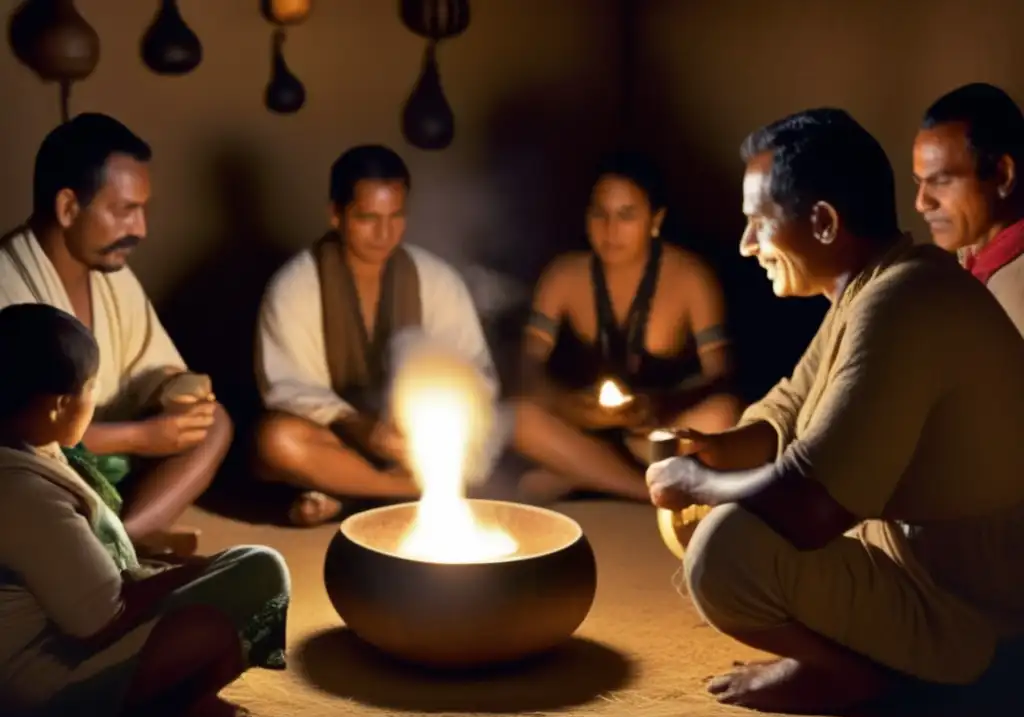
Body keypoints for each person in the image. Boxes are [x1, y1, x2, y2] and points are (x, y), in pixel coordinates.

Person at [646, 108, 1024, 715]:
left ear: (822, 222)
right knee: (700, 517)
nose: (746, 246)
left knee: (723, 550)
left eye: (757, 225)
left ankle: (851, 676)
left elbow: (813, 507)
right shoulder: (878, 287)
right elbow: (789, 407)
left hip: (979, 613)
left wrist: (700, 480)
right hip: (911, 562)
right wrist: (708, 450)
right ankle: (857, 660)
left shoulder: (899, 302)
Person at [0, 303, 289, 717]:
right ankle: (145, 713)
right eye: (91, 388)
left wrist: (175, 575)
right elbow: (98, 618)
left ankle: (172, 699)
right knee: (258, 574)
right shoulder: (22, 493)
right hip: (46, 690)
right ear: (59, 406)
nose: (94, 401)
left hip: (74, 638)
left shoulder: (33, 449)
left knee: (230, 571)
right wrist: (188, 575)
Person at [0, 113, 233, 557]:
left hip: (110, 460)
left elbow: (152, 367)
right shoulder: (7, 282)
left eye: (142, 210)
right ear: (68, 208)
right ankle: (113, 547)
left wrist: (178, 394)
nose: (140, 229)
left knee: (215, 421)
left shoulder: (112, 274)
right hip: (31, 473)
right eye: (126, 210)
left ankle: (117, 540)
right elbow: (18, 430)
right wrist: (140, 437)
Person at [254, 144, 502, 526]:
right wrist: (361, 427)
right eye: (368, 218)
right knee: (277, 441)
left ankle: (346, 493)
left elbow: (477, 372)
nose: (384, 233)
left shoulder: (435, 280)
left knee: (501, 431)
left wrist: (424, 421)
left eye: (396, 216)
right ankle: (416, 493)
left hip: (417, 444)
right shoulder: (295, 286)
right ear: (336, 214)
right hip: (338, 439)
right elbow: (287, 389)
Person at [513, 150, 741, 502]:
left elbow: (721, 375)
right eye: (599, 214)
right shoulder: (563, 276)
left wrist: (661, 404)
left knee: (726, 414)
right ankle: (641, 490)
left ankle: (588, 477)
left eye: (626, 215)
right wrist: (566, 403)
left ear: (655, 219)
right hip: (584, 431)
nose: (610, 230)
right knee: (519, 419)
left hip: (657, 435)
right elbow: (527, 368)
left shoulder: (690, 277)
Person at [913, 82, 1024, 335]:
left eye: (941, 181)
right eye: (919, 182)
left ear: (1003, 176)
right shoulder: (976, 261)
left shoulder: (1014, 298)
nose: (921, 203)